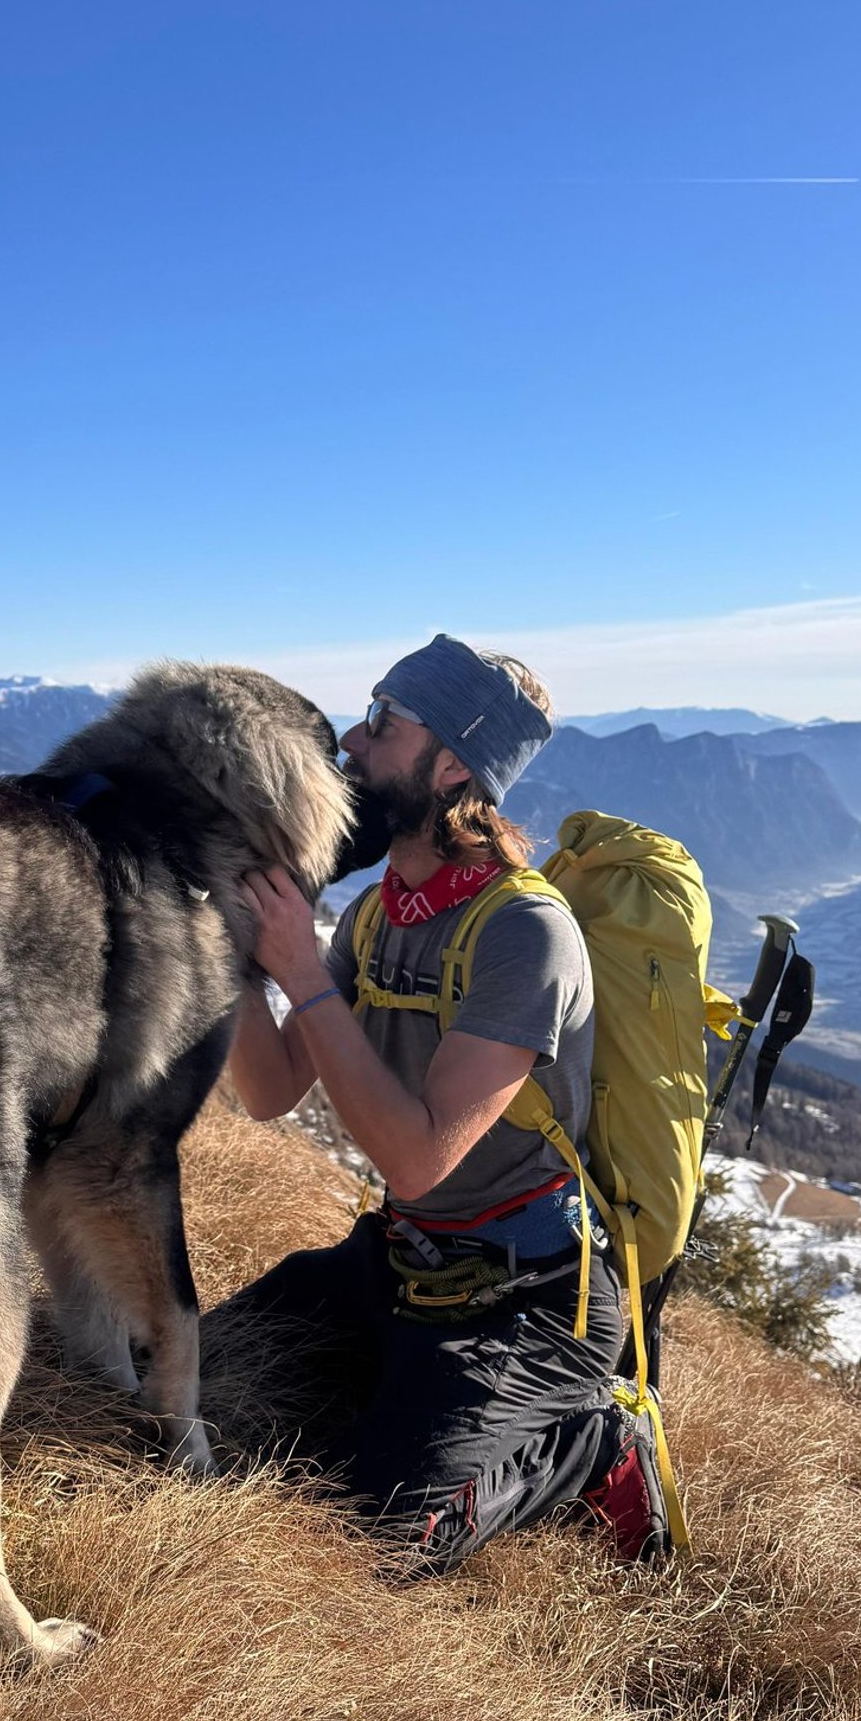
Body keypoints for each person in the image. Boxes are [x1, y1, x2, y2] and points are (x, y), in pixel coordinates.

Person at [220, 631, 637, 1568]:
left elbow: (416, 1159)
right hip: (405, 1264)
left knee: (381, 1541)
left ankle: (590, 1442)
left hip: (526, 1300)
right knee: (190, 1386)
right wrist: (235, 954)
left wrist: (299, 969)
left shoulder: (525, 934)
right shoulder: (376, 916)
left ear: (453, 766)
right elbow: (270, 1090)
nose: (353, 747)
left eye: (382, 724)